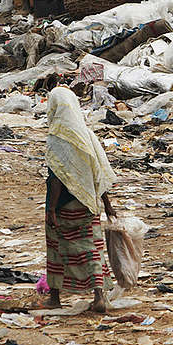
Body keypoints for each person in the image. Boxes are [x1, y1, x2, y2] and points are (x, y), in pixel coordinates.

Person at [44, 86, 117, 313]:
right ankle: (99, 296)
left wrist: (52, 209)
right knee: (92, 248)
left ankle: (55, 297)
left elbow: (57, 178)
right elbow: (97, 174)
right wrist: (107, 205)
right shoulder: (86, 134)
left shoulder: (58, 136)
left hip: (65, 204)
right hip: (89, 202)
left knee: (57, 247)